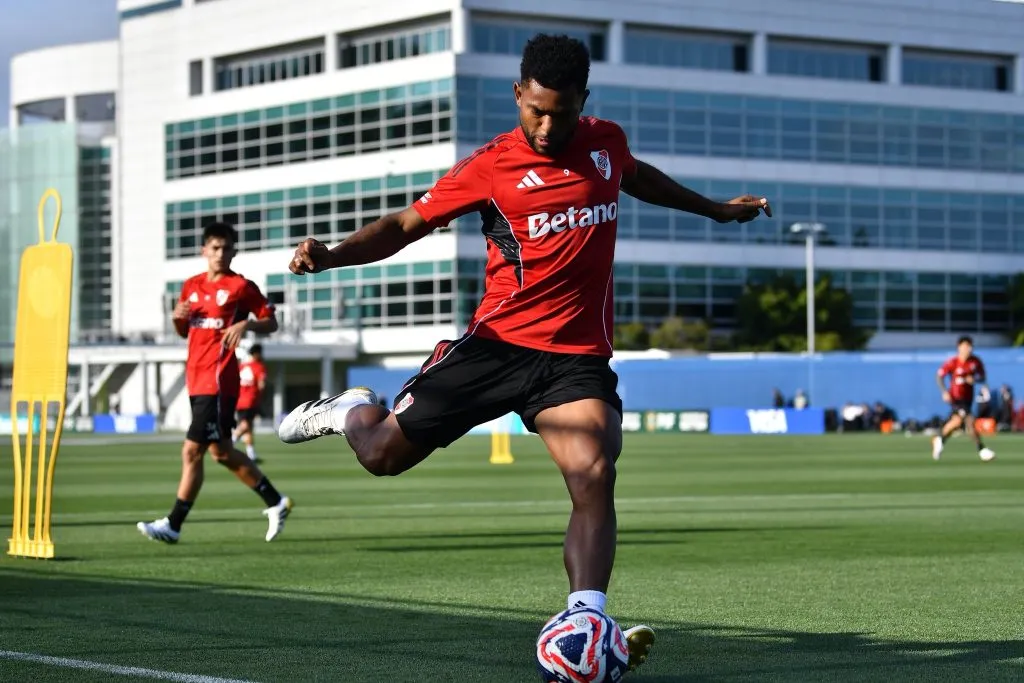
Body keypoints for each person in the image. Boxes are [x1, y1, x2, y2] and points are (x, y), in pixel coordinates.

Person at [276, 34, 772, 671]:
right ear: (518, 95)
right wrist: (333, 255)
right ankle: (350, 410)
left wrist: (715, 211)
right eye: (535, 111)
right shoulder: (491, 166)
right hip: (496, 347)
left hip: (575, 360)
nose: (546, 126)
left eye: (561, 114)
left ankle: (586, 617)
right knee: (380, 455)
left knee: (594, 472)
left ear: (582, 102)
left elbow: (636, 176)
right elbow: (404, 225)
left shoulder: (606, 143)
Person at [138, 222, 293, 544]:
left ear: (234, 252)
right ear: (204, 251)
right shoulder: (190, 286)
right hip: (196, 379)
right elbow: (185, 330)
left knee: (191, 451)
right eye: (215, 248)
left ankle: (173, 525)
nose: (220, 253)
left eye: (226, 248)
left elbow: (271, 322)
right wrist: (177, 318)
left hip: (219, 380)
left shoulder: (240, 287)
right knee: (221, 452)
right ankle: (276, 501)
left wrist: (247, 325)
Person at [932, 335, 995, 462]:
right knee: (970, 420)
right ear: (959, 347)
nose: (968, 349)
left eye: (970, 346)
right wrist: (944, 392)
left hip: (968, 398)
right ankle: (982, 450)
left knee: (956, 422)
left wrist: (974, 379)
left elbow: (982, 377)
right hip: (956, 397)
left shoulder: (975, 362)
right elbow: (939, 376)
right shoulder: (953, 362)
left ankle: (939, 439)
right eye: (966, 346)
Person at [234, 343, 268, 462]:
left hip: (239, 400)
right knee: (245, 425)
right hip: (251, 401)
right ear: (257, 353)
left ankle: (251, 454)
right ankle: (230, 443)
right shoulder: (259, 367)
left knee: (249, 428)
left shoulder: (242, 366)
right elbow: (261, 385)